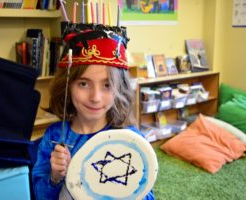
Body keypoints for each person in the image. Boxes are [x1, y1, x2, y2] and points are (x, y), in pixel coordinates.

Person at [32, 22, 155, 200]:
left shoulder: (130, 141)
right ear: (67, 86)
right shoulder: (54, 137)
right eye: (83, 83)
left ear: (119, 88)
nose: (95, 97)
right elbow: (40, 195)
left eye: (107, 85)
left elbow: (147, 193)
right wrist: (54, 177)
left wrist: (127, 189)